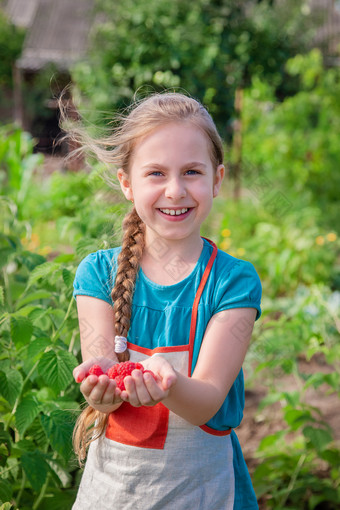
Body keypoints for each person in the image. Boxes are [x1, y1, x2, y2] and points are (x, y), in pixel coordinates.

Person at [70, 92, 262, 510]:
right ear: (126, 183)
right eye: (155, 173)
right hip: (116, 490)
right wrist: (100, 390)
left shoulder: (233, 282)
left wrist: (166, 384)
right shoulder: (98, 275)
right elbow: (102, 369)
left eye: (192, 172)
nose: (175, 191)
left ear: (217, 178)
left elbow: (206, 401)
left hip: (206, 492)